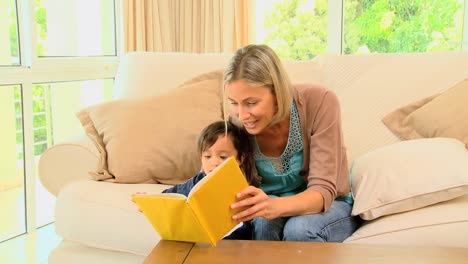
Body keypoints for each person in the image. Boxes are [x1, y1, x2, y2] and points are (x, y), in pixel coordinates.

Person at [223, 44, 361, 242]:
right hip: (269, 208)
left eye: (251, 103)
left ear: (277, 93)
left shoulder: (320, 102)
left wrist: (273, 207)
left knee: (299, 229)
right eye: (234, 103)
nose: (243, 115)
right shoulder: (237, 123)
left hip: (330, 205)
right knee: (263, 222)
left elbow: (323, 191)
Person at [162, 120, 260, 240]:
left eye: (223, 157)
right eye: (207, 156)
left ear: (239, 158)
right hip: (203, 244)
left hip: (236, 245)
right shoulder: (197, 181)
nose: (214, 163)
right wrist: (146, 203)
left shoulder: (245, 186)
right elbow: (168, 196)